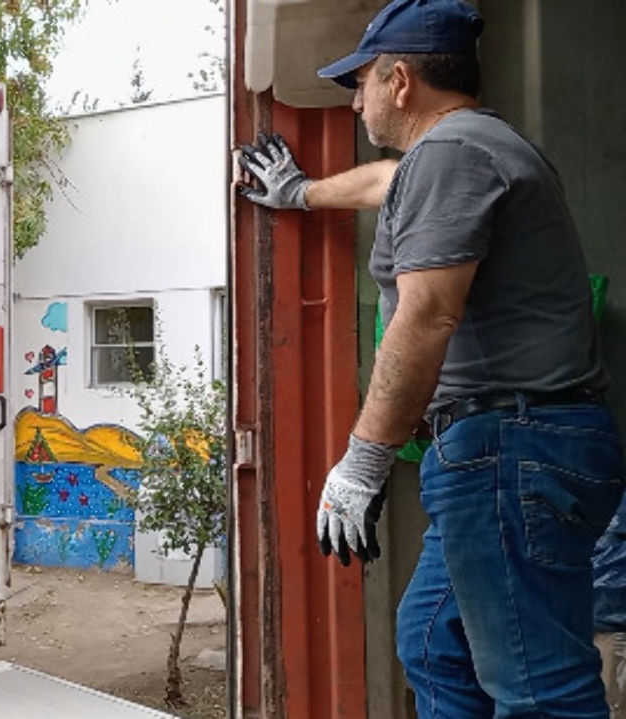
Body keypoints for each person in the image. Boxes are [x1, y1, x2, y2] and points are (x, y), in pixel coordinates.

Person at [236, 0, 623, 716]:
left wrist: (363, 461)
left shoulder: (452, 155)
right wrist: (300, 193)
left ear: (401, 80)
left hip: (511, 451)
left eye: (360, 84)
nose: (354, 103)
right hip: (513, 449)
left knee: (538, 689)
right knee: (433, 644)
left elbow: (428, 312)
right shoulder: (473, 149)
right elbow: (385, 183)